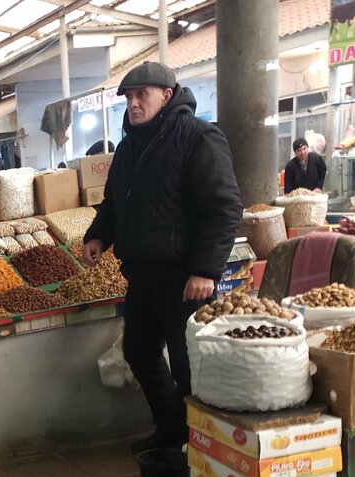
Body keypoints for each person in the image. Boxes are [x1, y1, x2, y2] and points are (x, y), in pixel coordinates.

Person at [78, 62, 242, 453]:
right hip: (143, 275)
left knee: (190, 365)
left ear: (167, 96)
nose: (133, 104)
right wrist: (98, 234)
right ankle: (172, 429)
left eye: (142, 95)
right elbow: (116, 203)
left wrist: (205, 269)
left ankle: (201, 448)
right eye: (129, 98)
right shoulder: (130, 146)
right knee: (138, 351)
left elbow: (224, 207)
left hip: (185, 278)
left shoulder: (198, 137)